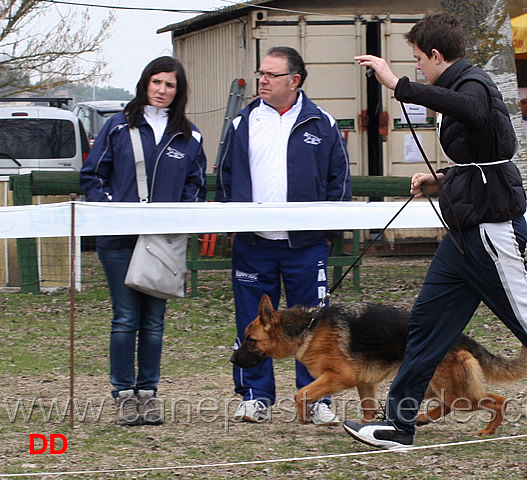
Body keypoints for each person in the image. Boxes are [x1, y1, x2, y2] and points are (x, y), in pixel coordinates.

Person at [347, 12, 527, 452]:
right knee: (426, 322)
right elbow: (481, 153)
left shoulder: (474, 85)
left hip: (492, 231)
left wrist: (398, 84)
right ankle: (398, 425)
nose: (417, 67)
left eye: (419, 59)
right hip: (464, 233)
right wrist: (441, 178)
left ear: (437, 56)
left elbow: (474, 114)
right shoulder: (460, 86)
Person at [215, 46, 352, 425]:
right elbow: (225, 177)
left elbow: (338, 181)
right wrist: (233, 227)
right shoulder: (243, 122)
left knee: (315, 325)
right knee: (251, 322)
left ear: (295, 80)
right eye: (261, 73)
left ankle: (318, 398)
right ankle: (255, 396)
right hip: (253, 244)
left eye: (271, 75)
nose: (262, 80)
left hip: (305, 247)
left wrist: (327, 233)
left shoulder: (321, 123)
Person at [80, 56, 208, 426]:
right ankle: (123, 393)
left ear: (178, 90)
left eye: (170, 84)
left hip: (163, 241)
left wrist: (177, 216)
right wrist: (112, 210)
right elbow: (92, 176)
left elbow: (194, 185)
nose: (162, 90)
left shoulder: (189, 134)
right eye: (157, 82)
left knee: (154, 321)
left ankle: (148, 393)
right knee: (124, 318)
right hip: (119, 239)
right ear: (145, 83)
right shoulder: (117, 127)